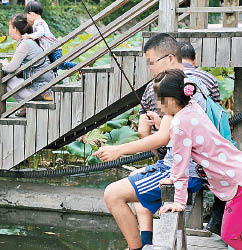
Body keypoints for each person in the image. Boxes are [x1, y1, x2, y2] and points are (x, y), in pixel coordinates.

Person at [92, 33, 210, 250]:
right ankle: (145, 242)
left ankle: (136, 248)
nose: (151, 70)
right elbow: (169, 131)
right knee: (134, 178)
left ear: (170, 59)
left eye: (151, 63)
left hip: (183, 171)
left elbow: (163, 137)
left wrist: (118, 150)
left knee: (113, 194)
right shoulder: (183, 85)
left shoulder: (181, 90)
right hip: (181, 167)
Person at [156, 69, 242, 250]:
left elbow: (181, 166)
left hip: (237, 183)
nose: (158, 105)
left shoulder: (180, 124)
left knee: (229, 235)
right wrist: (172, 176)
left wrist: (179, 203)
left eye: (160, 100)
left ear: (171, 100)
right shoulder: (193, 107)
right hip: (237, 169)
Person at [179, 41, 225, 235]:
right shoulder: (208, 78)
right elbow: (218, 111)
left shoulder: (167, 80)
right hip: (206, 147)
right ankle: (215, 222)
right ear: (195, 59)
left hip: (176, 148)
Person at [1, 14, 54, 117]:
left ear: (15, 29)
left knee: (8, 81)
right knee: (12, 79)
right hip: (44, 87)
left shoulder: (25, 43)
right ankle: (25, 107)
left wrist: (3, 66)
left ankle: (26, 106)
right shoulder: (30, 41)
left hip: (40, 89)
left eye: (9, 27)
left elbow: (11, 68)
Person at [23, 1, 77, 71]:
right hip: (51, 49)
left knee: (61, 64)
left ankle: (79, 66)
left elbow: (41, 32)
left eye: (27, 15)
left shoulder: (39, 22)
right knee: (54, 66)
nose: (27, 18)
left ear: (31, 14)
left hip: (54, 49)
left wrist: (29, 36)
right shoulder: (39, 21)